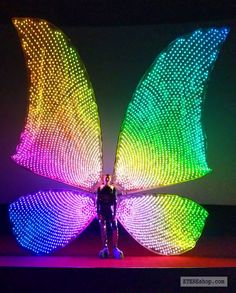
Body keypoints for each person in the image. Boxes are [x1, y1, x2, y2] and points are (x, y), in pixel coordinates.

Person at [96, 174, 124, 259]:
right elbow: (97, 201)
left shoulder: (113, 188)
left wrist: (115, 213)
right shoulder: (100, 188)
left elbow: (115, 201)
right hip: (103, 210)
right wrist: (98, 213)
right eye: (106, 177)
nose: (107, 179)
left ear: (110, 179)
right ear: (103, 179)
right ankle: (105, 247)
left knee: (115, 227)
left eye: (108, 177)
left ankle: (115, 247)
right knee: (102, 227)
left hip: (110, 210)